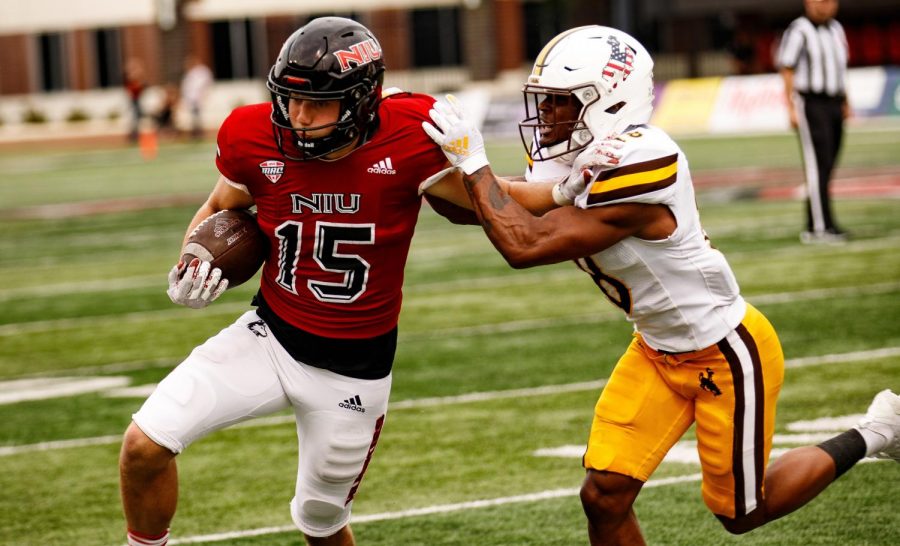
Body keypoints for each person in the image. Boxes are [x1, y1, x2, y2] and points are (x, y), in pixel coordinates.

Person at [423, 25, 900, 545]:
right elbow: (486, 206)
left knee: (743, 513)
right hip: (656, 347)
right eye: (546, 101)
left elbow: (525, 242)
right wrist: (414, 168)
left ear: (611, 101)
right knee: (603, 495)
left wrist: (473, 164)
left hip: (723, 350)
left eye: (562, 102)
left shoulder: (645, 160)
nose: (548, 115)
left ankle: (880, 430)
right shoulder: (579, 157)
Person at [118, 17, 561, 546]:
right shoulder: (251, 134)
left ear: (362, 100)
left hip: (354, 374)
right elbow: (221, 204)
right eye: (289, 99)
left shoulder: (411, 137)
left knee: (320, 524)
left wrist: (571, 187)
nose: (298, 117)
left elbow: (500, 203)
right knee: (143, 445)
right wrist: (191, 256)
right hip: (270, 335)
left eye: (318, 103)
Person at [775, 0, 851, 244]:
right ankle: (820, 227)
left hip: (834, 102)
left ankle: (819, 222)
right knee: (817, 164)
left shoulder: (837, 29)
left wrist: (846, 101)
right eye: (820, 1)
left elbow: (840, 68)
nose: (825, 6)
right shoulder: (799, 29)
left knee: (828, 163)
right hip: (811, 103)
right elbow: (787, 68)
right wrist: (790, 106)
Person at [180, 55, 214, 139]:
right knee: (194, 116)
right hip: (191, 99)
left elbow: (205, 84)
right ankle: (195, 132)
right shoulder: (190, 73)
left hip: (198, 98)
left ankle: (198, 133)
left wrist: (202, 94)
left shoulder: (202, 71)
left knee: (197, 116)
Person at [124, 58, 147, 143]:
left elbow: (142, 86)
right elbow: (134, 89)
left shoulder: (137, 80)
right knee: (134, 119)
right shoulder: (130, 80)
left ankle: (135, 135)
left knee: (138, 118)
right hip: (134, 101)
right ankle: (133, 136)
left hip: (137, 100)